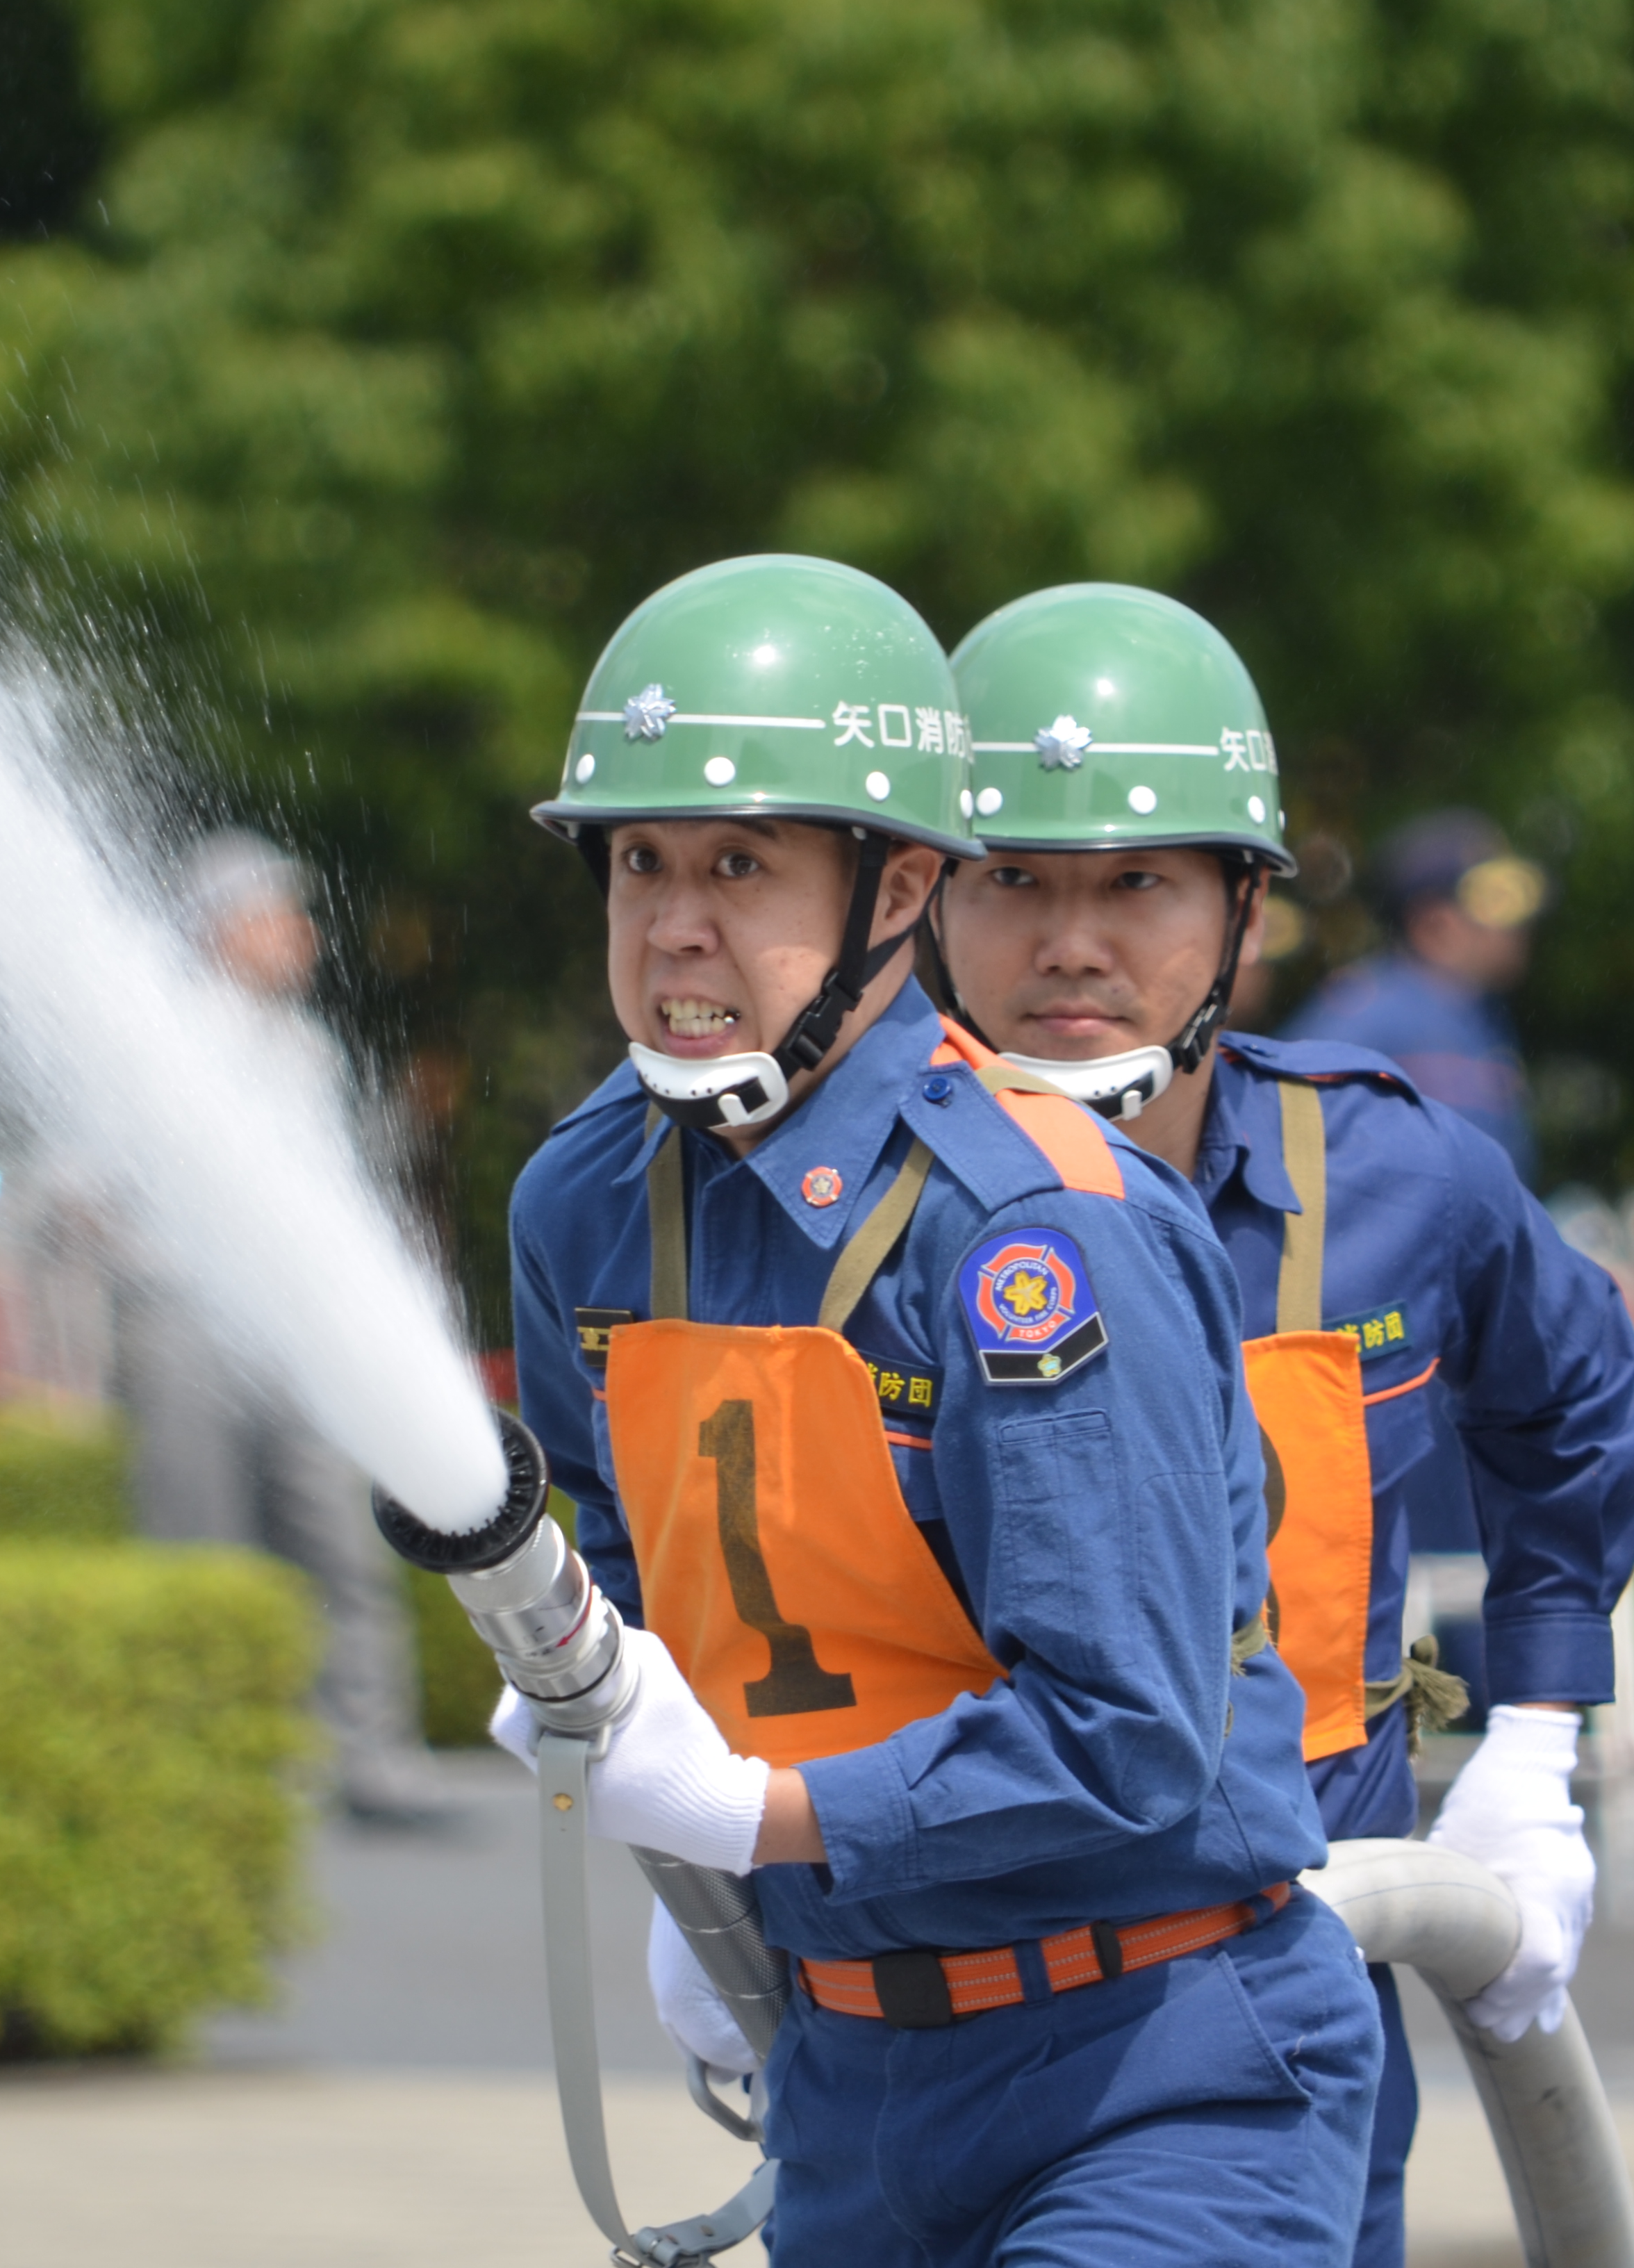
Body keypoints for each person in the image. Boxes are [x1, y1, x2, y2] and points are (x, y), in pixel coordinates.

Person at [500, 555, 1381, 2261]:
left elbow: (1126, 1734)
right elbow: (622, 1557)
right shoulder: (583, 1202)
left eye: (739, 862)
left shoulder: (1042, 1232)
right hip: (849, 2074)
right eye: (639, 863)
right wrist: (599, 1721)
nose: (675, 922)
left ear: (901, 883)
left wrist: (760, 1815)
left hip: (1159, 2071)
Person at [927, 582, 1634, 2268]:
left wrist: (1534, 1748)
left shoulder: (1393, 1175)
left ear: (1246, 909)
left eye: (1138, 883)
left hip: (1270, 2005)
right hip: (915, 2011)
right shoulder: (832, 1199)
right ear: (925, 901)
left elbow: (1579, 1399)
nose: (1072, 942)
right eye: (1014, 881)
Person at [116, 830, 447, 1823]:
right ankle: (213, 1765)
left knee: (334, 1537)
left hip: (295, 1329)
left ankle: (370, 1755)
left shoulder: (309, 1048)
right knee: (200, 1547)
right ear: (221, 928)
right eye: (276, 913)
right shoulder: (156, 1034)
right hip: (187, 1314)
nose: (300, 932)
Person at [1280, 810, 1547, 1184]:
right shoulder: (1364, 1010)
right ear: (1433, 925)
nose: (1515, 927)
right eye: (1493, 904)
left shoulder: (1485, 1017)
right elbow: (1281, 1130)